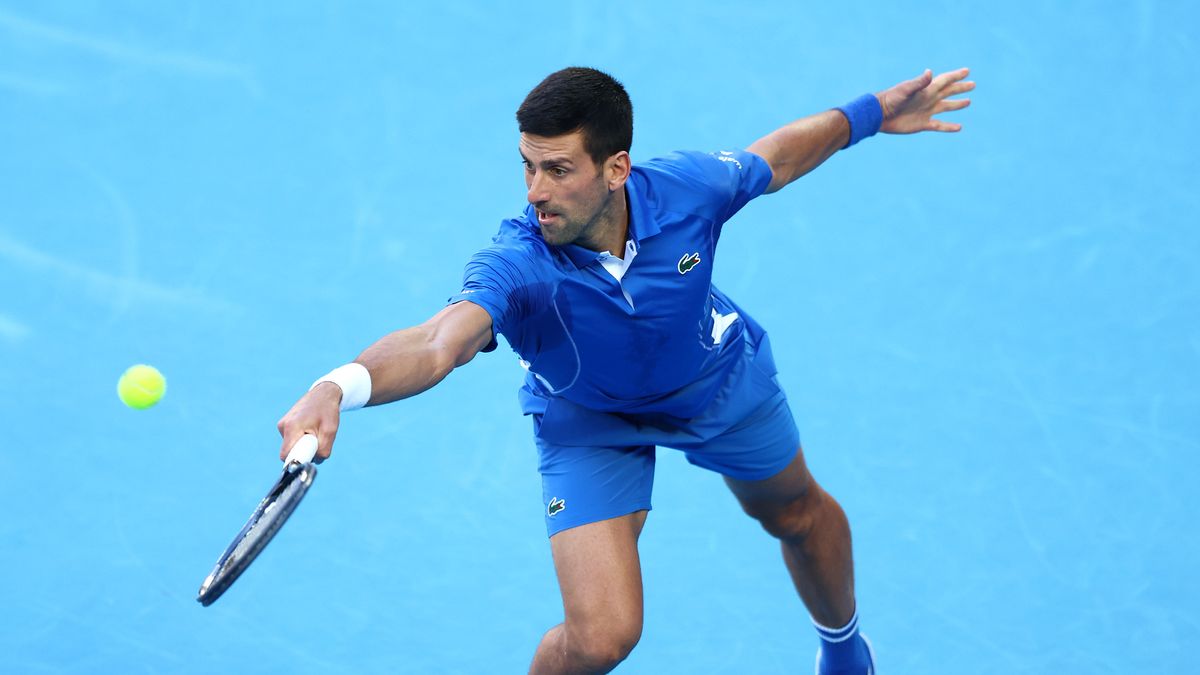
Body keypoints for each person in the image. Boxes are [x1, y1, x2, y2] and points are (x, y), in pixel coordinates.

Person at [277, 65, 972, 674]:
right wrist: (339, 384)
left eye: (557, 170)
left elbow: (776, 159)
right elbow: (438, 341)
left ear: (616, 169)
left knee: (796, 512)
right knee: (601, 638)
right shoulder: (519, 259)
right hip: (589, 419)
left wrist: (873, 114)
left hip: (715, 383)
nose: (534, 192)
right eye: (526, 166)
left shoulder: (687, 189)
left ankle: (846, 649)